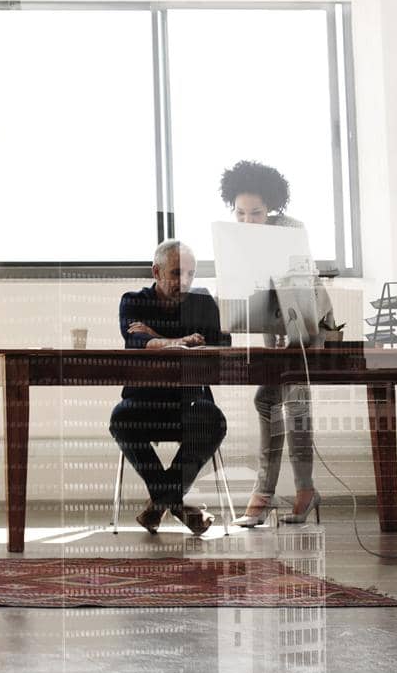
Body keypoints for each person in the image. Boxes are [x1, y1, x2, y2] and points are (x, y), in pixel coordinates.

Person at [219, 160, 331, 526]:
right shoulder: (237, 236)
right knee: (267, 398)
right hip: (272, 321)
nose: (248, 220)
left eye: (257, 212)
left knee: (294, 401)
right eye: (240, 213)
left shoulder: (291, 229)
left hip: (306, 319)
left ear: (272, 207)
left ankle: (295, 491)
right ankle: (276, 493)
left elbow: (302, 282)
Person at [110, 240, 229, 537]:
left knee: (213, 421)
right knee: (120, 420)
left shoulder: (201, 302)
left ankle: (159, 504)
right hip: (143, 400)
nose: (185, 281)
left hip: (189, 401)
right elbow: (135, 342)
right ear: (156, 271)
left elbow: (221, 343)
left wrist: (157, 337)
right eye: (176, 273)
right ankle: (177, 505)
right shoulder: (133, 301)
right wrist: (180, 341)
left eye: (191, 274)